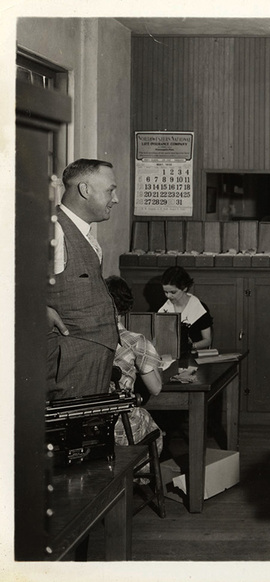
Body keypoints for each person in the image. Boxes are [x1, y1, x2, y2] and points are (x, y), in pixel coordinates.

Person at [46, 159, 120, 399]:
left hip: (91, 361)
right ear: (85, 190)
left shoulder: (84, 233)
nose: (116, 199)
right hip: (68, 366)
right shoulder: (54, 230)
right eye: (110, 190)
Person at [106, 276, 164, 454]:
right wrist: (152, 355)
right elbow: (155, 388)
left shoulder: (81, 338)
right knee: (158, 433)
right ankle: (139, 480)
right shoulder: (135, 341)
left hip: (89, 427)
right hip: (121, 430)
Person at [158, 266, 213, 355]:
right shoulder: (163, 308)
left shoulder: (199, 308)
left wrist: (190, 346)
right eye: (166, 292)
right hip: (169, 355)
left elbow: (207, 340)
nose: (168, 296)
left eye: (173, 292)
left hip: (194, 355)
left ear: (184, 288)